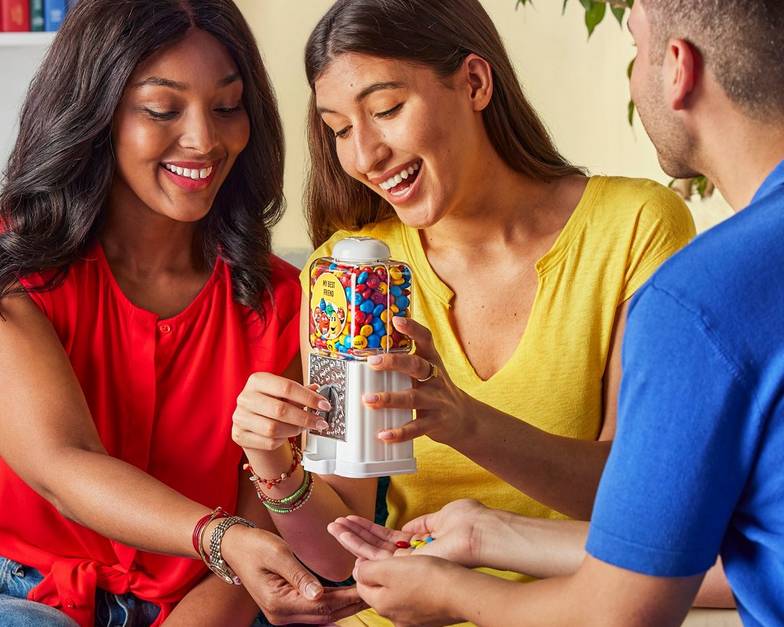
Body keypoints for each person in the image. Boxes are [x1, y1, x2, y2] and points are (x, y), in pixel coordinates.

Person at [230, 0, 730, 624]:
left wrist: (464, 422)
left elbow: (636, 500)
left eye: (386, 111)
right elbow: (340, 552)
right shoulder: (346, 276)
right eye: (338, 129)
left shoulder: (633, 227)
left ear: (473, 82)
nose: (364, 156)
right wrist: (273, 463)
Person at [0, 1, 363, 625]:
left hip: (212, 593)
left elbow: (268, 527)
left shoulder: (287, 302)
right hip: (24, 594)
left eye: (227, 107)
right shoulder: (16, 270)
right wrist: (223, 541)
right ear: (96, 112)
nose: (205, 139)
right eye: (163, 109)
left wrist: (238, 561)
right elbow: (61, 460)